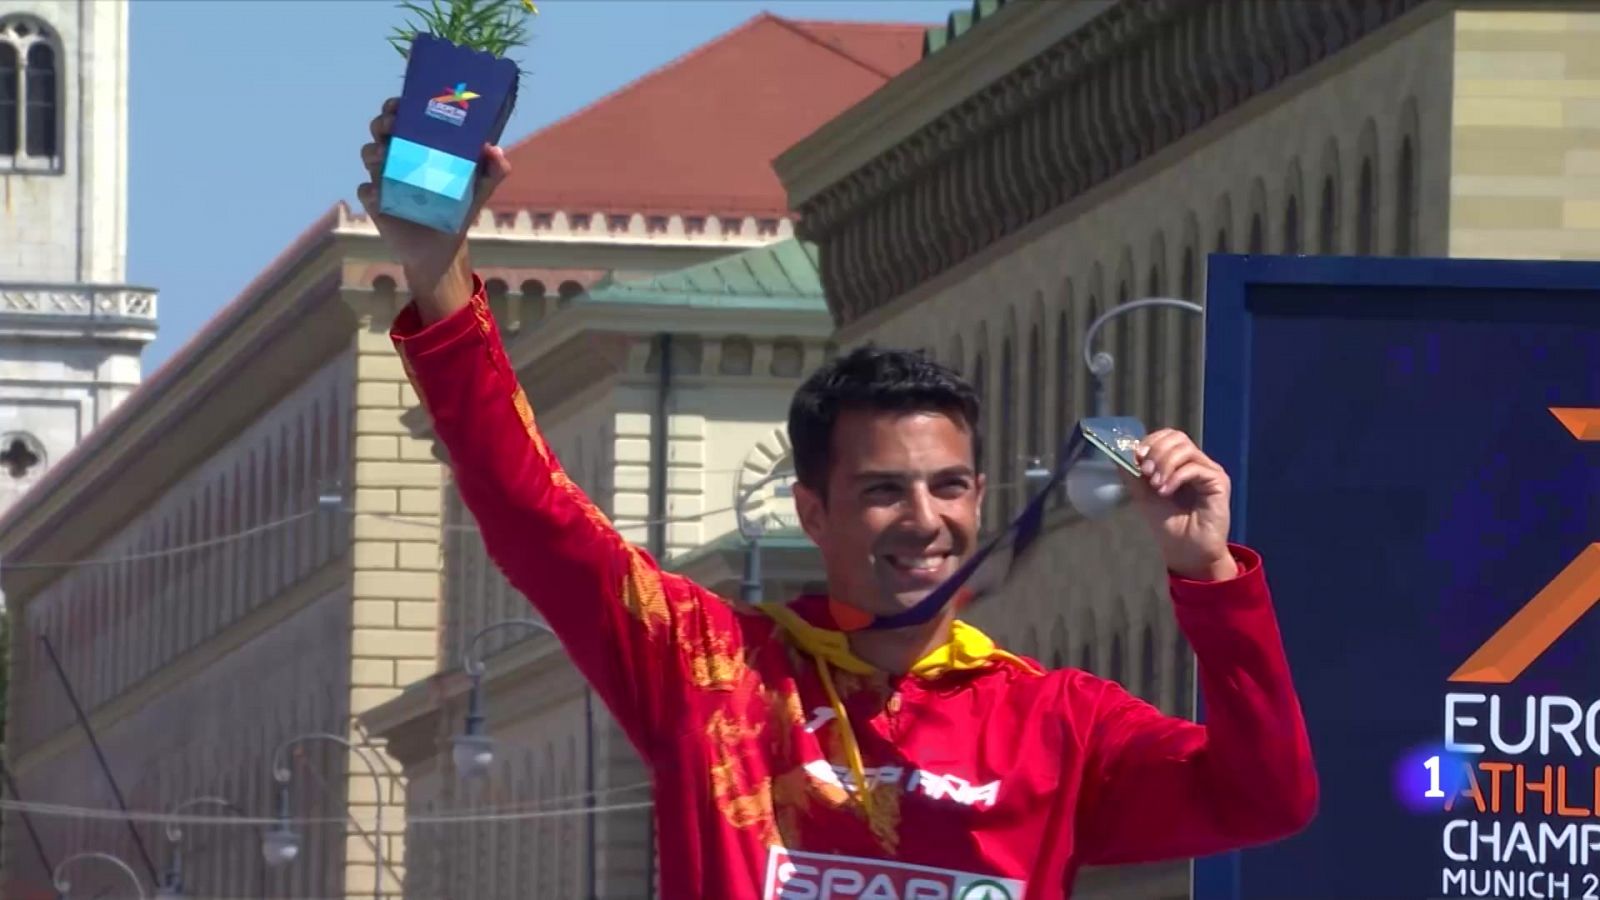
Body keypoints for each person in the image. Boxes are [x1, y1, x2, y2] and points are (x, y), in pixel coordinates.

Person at [360, 100, 1317, 898]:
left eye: (948, 487)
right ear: (812, 512)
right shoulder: (711, 672)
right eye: (881, 492)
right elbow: (531, 509)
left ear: (981, 496)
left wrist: (1209, 574)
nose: (923, 521)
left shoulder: (1056, 725)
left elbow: (1267, 798)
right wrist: (438, 275)